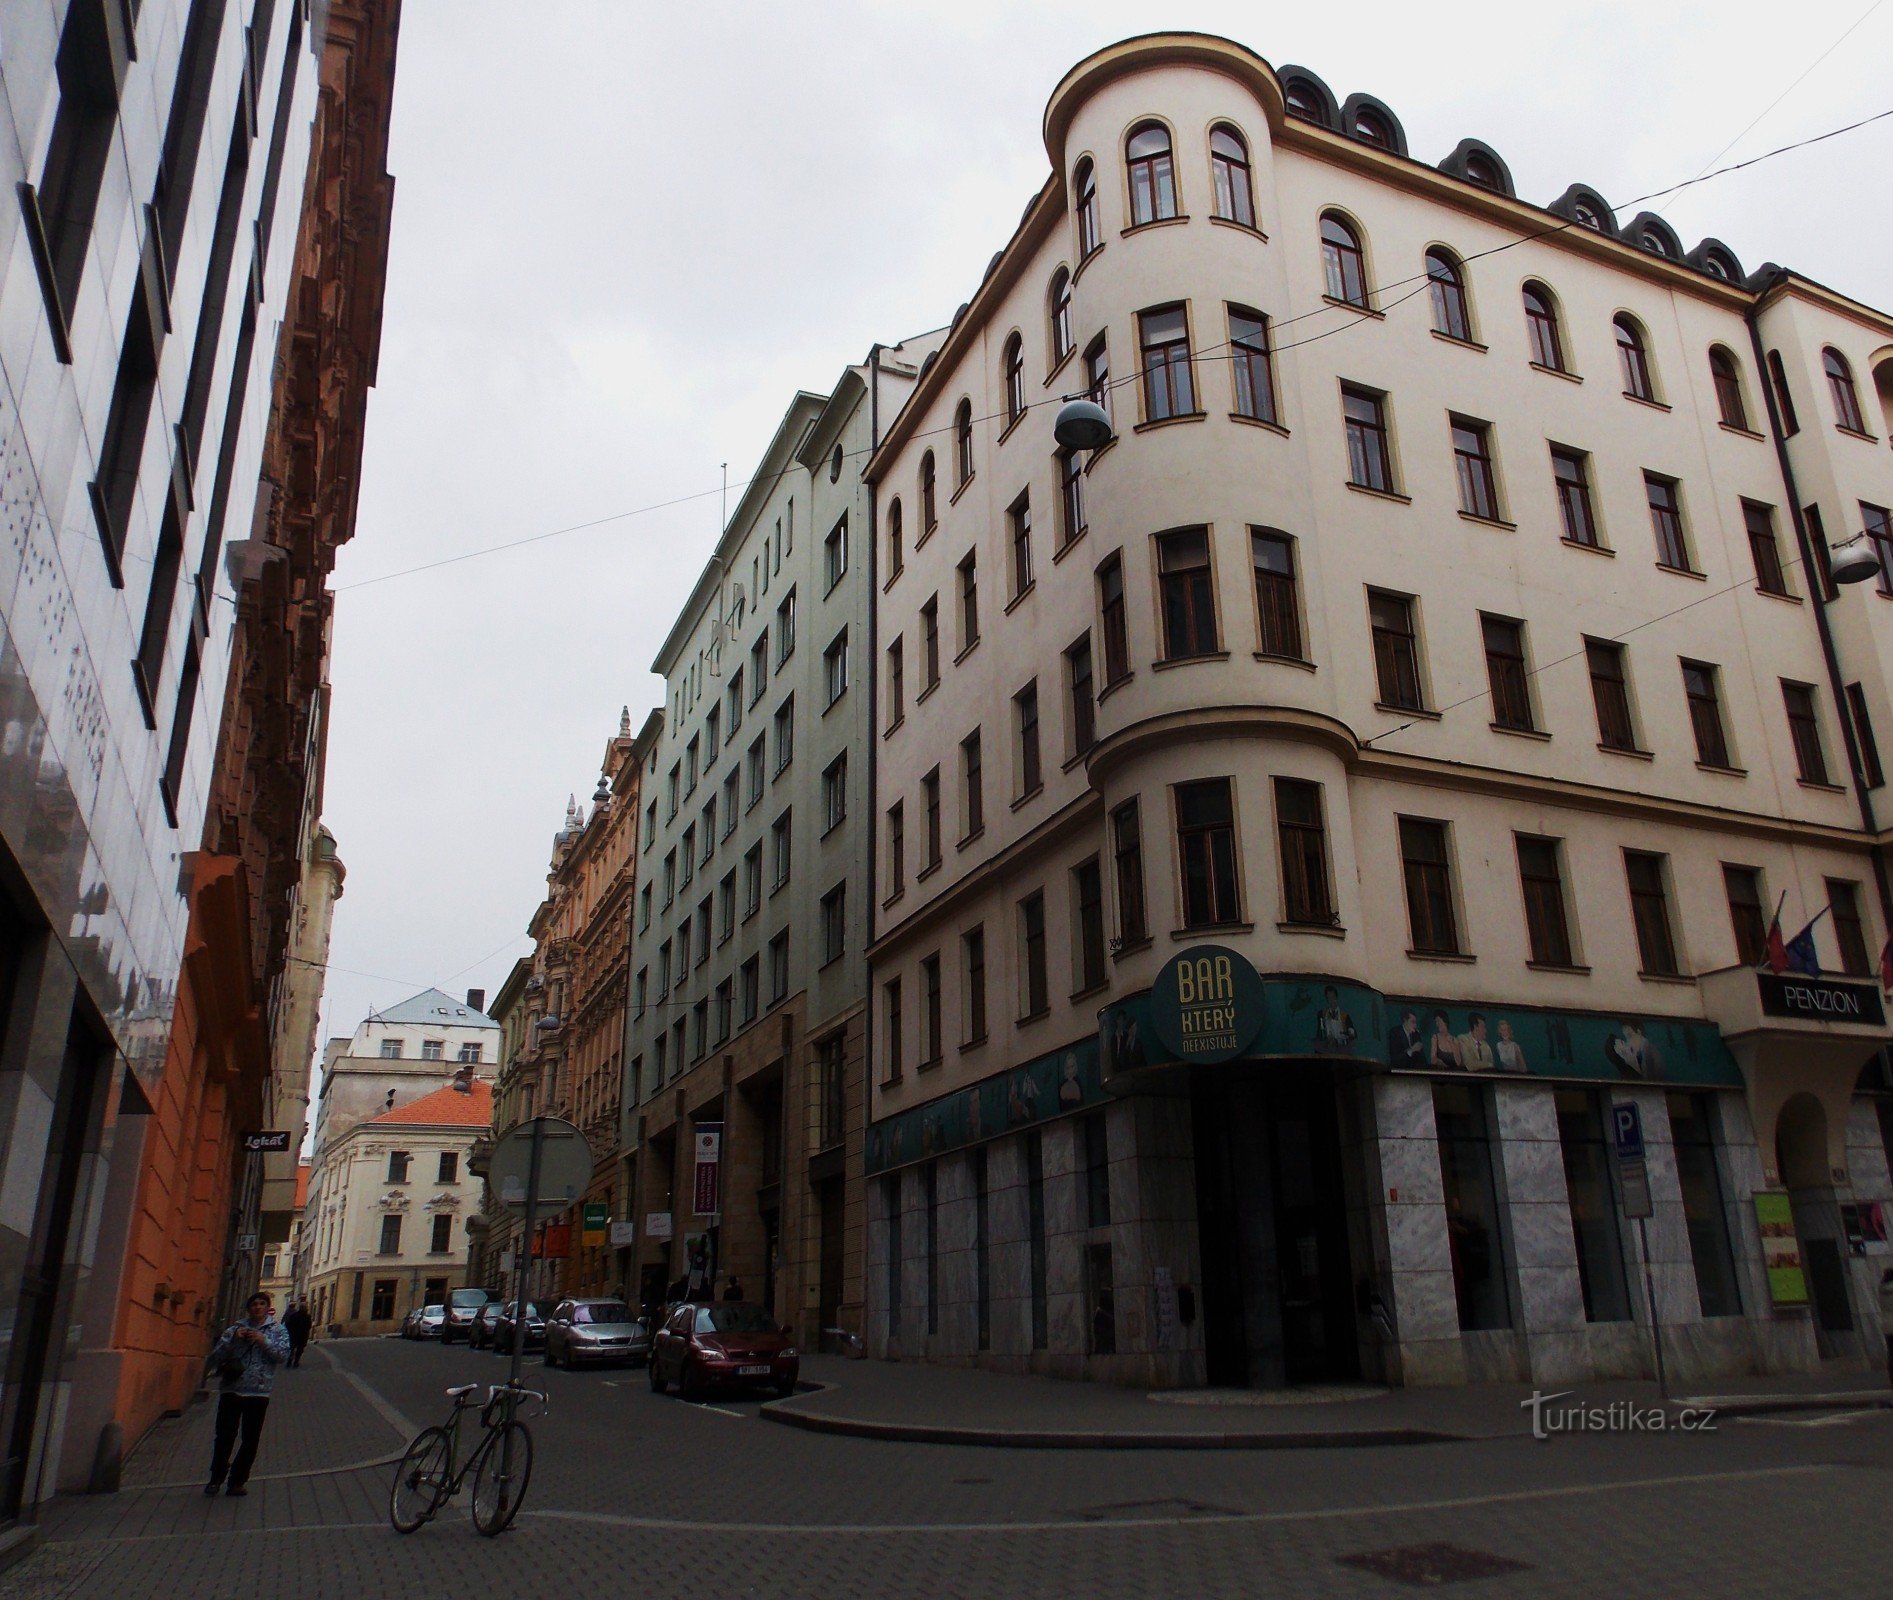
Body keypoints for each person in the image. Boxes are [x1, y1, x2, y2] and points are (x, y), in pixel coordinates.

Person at [204, 1292, 290, 1497]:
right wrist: (234, 1340)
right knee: (224, 1436)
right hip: (231, 1390)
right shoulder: (235, 1329)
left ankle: (237, 1481)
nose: (257, 1307)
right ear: (248, 1308)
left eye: (262, 1304)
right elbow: (216, 1356)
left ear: (267, 1307)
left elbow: (283, 1355)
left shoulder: (277, 1330)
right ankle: (216, 1478)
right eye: (254, 1304)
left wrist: (263, 1340)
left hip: (259, 1393)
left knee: (250, 1439)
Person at [282, 1300, 312, 1367]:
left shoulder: (294, 1315)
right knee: (300, 1349)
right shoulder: (307, 1316)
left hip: (293, 1335)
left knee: (292, 1349)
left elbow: (288, 1324)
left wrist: (290, 1331)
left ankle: (290, 1361)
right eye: (305, 1307)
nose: (306, 1308)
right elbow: (309, 1326)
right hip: (302, 1336)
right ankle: (296, 1361)